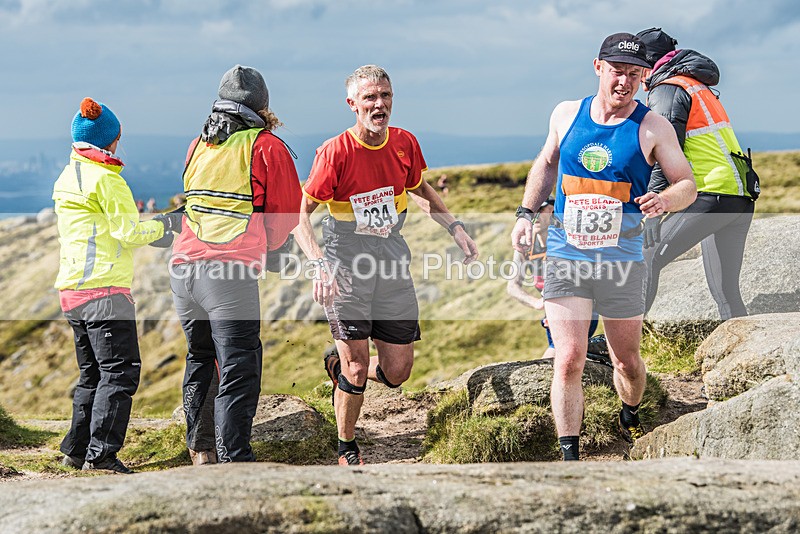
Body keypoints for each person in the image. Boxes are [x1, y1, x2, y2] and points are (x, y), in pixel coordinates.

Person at [510, 33, 697, 461]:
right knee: (569, 357)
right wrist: (525, 213)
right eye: (617, 72)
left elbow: (687, 183)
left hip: (621, 260)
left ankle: (630, 412)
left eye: (635, 74)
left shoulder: (653, 126)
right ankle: (569, 455)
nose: (624, 82)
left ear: (644, 76)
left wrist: (666, 199)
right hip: (566, 254)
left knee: (626, 361)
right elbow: (546, 161)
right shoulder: (566, 114)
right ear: (598, 67)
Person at [294, 65, 479, 466]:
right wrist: (319, 265)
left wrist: (455, 227)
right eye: (370, 98)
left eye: (385, 96)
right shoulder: (335, 152)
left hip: (392, 256)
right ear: (353, 105)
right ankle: (346, 447)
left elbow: (419, 188)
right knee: (357, 366)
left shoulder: (404, 143)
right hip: (345, 258)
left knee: (398, 372)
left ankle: (337, 365)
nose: (379, 105)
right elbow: (298, 214)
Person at [169, 65, 302, 463]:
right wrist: (268, 248)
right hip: (227, 275)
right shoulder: (266, 147)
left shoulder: (198, 144)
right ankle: (235, 463)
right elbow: (283, 222)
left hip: (182, 271)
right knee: (240, 367)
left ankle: (202, 452)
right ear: (263, 106)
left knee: (200, 359)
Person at [53, 97, 181, 474]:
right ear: (112, 139)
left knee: (92, 373)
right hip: (105, 291)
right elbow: (129, 232)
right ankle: (102, 457)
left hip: (72, 291)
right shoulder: (108, 180)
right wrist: (168, 224)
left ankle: (76, 449)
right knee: (121, 372)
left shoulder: (67, 176)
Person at [636, 28, 756, 319]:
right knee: (727, 294)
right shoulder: (695, 84)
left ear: (648, 64)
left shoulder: (667, 89)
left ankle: (623, 342)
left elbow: (667, 148)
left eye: (636, 66)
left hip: (710, 194)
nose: (633, 76)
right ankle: (739, 358)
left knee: (646, 256)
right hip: (738, 196)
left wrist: (654, 208)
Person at [506, 198, 602, 362]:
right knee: (563, 357)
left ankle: (595, 352)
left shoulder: (567, 240)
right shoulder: (525, 246)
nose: (534, 216)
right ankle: (594, 351)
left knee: (556, 356)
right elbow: (512, 286)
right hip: (551, 312)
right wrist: (537, 302)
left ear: (552, 211)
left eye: (540, 210)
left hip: (579, 308)